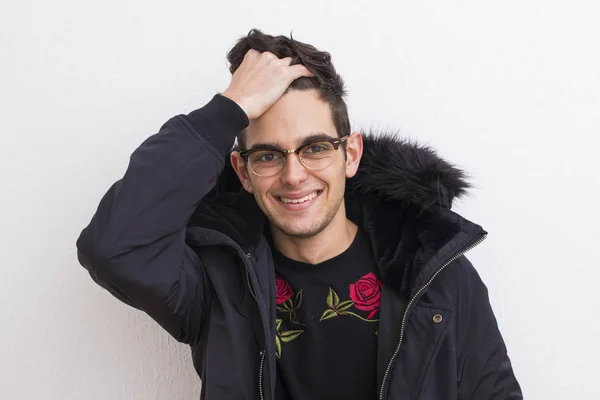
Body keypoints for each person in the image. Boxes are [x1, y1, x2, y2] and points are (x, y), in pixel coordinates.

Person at [76, 29, 522, 400]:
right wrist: (226, 110)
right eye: (268, 156)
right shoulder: (215, 283)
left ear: (350, 154)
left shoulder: (437, 275)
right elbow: (114, 247)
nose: (294, 175)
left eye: (315, 148)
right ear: (242, 171)